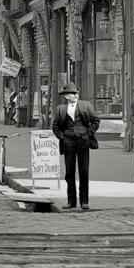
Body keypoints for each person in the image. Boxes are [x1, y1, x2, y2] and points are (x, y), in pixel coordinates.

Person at [52, 81, 100, 211]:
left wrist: (88, 133)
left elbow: (95, 120)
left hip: (82, 141)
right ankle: (71, 201)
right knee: (69, 172)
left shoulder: (85, 105)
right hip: (68, 142)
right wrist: (62, 136)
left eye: (75, 93)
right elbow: (55, 126)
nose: (75, 95)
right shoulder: (61, 109)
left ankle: (84, 201)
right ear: (66, 96)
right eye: (72, 94)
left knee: (84, 171)